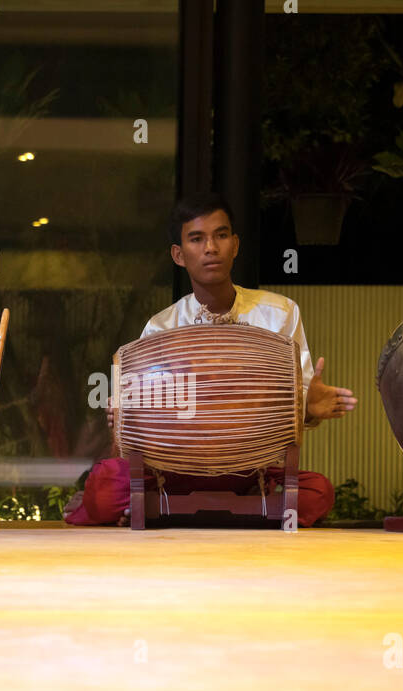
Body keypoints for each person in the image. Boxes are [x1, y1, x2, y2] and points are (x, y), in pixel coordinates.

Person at [65, 193, 356, 527]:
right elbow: (144, 415)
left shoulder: (279, 314)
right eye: (197, 238)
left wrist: (307, 407)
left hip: (249, 468)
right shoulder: (161, 328)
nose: (211, 248)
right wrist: (127, 416)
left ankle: (171, 507)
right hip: (174, 471)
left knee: (318, 491)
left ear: (235, 244)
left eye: (220, 235)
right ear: (178, 254)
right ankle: (237, 509)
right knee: (105, 488)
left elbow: (296, 398)